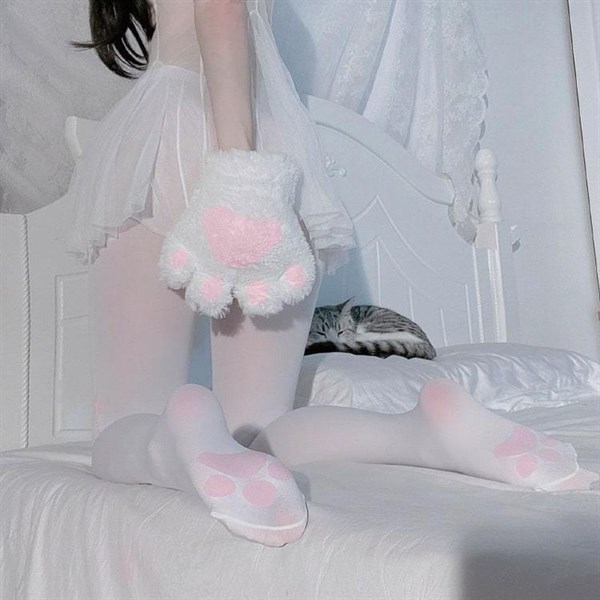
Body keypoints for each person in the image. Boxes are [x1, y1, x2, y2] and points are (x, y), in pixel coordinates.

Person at [65, 0, 598, 548]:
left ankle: (178, 432)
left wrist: (238, 176)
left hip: (178, 139)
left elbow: (221, 9)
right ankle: (421, 434)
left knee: (124, 421)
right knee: (260, 424)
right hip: (277, 141)